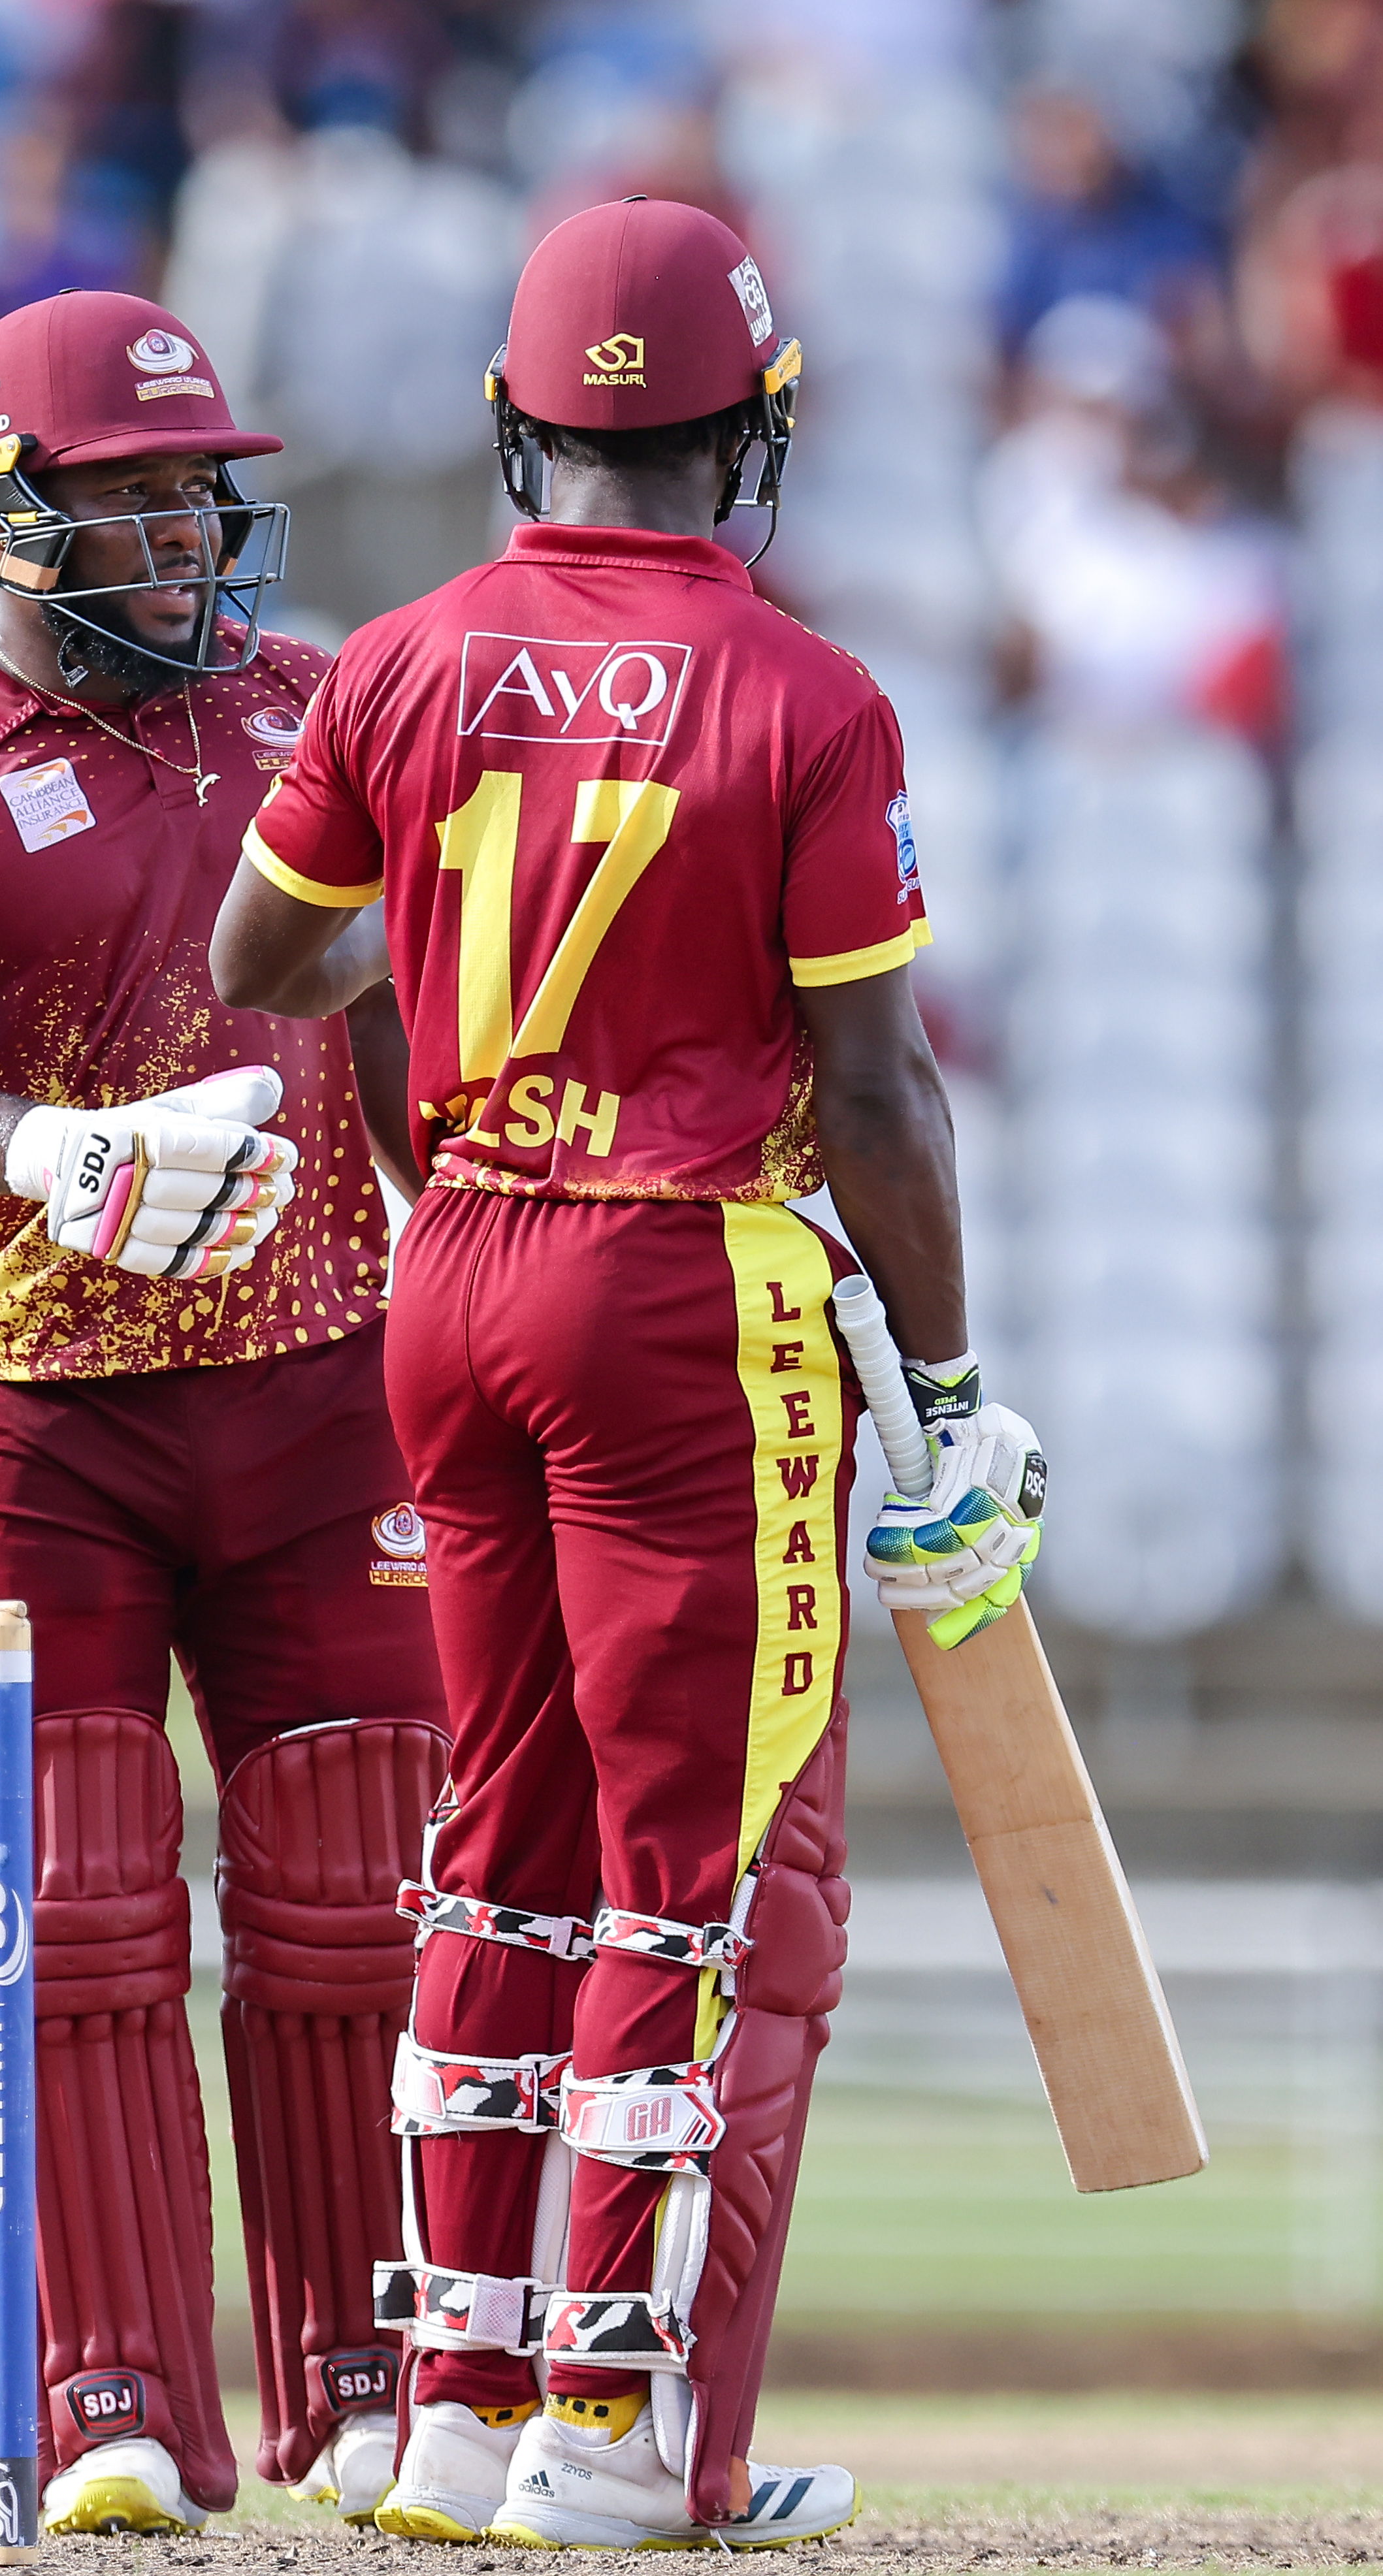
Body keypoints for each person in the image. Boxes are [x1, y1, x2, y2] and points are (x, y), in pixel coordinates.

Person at [209, 197, 1045, 2550]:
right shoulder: (807, 695)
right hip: (684, 1290)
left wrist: (450, 951)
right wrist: (955, 1392)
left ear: (517, 419)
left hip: (454, 1272)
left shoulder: (400, 655)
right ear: (749, 432)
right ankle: (618, 2439)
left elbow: (265, 956)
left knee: (503, 1841)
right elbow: (877, 1096)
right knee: (685, 1874)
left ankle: (453, 2408)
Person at [0, 288, 447, 2539]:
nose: (186, 537)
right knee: (61, 1903)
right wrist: (60, 1154)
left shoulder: (322, 703)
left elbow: (393, 1048)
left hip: (327, 1378)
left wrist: (477, 1257)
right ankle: (110, 2404)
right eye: (135, 499)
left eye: (201, 494)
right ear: (4, 520)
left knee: (356, 1882)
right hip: (31, 1411)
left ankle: (362, 2380)